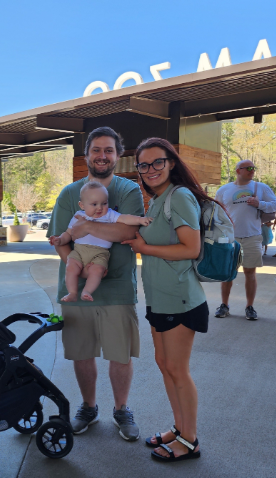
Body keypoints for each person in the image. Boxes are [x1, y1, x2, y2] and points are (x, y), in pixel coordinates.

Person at [47, 126, 144, 440]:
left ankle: (121, 409)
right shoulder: (68, 194)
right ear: (86, 154)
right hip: (76, 292)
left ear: (117, 155)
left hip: (118, 289)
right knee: (82, 352)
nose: (102, 156)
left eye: (109, 150)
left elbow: (128, 234)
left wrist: (87, 225)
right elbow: (62, 240)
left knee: (120, 353)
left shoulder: (128, 190)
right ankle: (88, 407)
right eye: (96, 150)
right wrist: (81, 269)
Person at [122, 137, 215, 462]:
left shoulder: (180, 196)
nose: (150, 169)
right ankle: (179, 428)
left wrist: (145, 249)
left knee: (177, 369)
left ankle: (189, 441)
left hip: (181, 299)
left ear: (171, 163)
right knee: (165, 366)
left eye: (157, 162)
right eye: (144, 165)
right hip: (159, 300)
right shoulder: (158, 200)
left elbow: (191, 249)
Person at [49, 181, 151, 302]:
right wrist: (60, 240)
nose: (100, 208)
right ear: (82, 205)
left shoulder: (109, 214)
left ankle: (87, 291)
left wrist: (140, 220)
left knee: (97, 271)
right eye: (94, 204)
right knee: (71, 267)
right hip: (79, 251)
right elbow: (68, 233)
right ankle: (72, 292)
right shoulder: (78, 216)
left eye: (104, 203)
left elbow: (124, 218)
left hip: (100, 253)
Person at [214, 160, 276, 320]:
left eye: (253, 168)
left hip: (252, 236)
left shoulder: (261, 187)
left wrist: (260, 203)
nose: (252, 171)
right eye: (248, 168)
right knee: (228, 273)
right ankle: (224, 305)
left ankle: (250, 307)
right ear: (238, 170)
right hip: (230, 238)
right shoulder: (224, 189)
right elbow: (217, 212)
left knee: (250, 272)